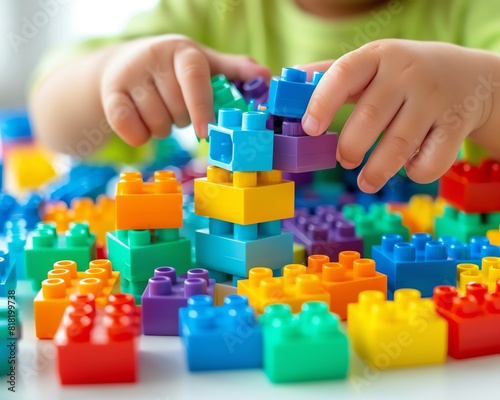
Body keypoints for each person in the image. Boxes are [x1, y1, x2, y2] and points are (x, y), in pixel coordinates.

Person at [30, 0, 500, 193]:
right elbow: (53, 115)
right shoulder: (211, 11)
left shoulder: (472, 13)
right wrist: (105, 80)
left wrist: (485, 92)